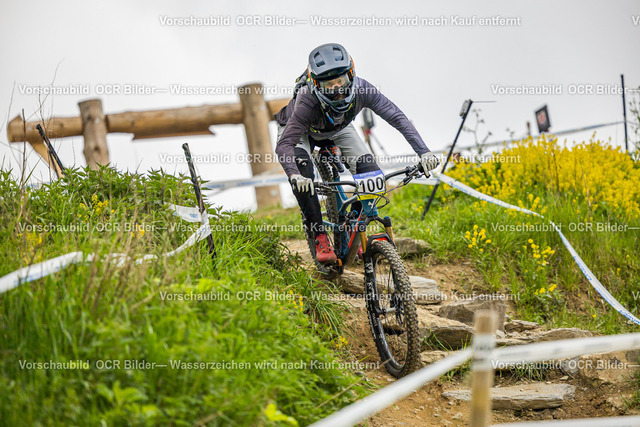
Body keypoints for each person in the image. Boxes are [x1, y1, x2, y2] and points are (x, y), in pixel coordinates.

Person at [275, 43, 439, 263]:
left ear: (351, 75)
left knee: (370, 174)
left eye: (340, 81)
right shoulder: (307, 100)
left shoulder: (363, 89)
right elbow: (284, 144)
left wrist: (424, 152)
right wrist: (295, 175)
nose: (337, 89)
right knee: (303, 174)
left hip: (339, 128)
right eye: (328, 84)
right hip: (300, 131)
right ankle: (319, 234)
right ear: (316, 84)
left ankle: (353, 223)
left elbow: (397, 117)